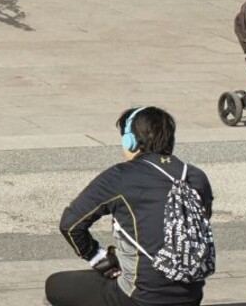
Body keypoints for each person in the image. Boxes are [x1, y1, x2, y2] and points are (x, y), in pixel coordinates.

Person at [46, 106, 214, 306]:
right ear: (171, 140)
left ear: (130, 141)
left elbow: (71, 225)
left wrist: (98, 258)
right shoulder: (195, 176)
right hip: (191, 297)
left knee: (55, 285)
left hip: (138, 298)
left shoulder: (121, 176)